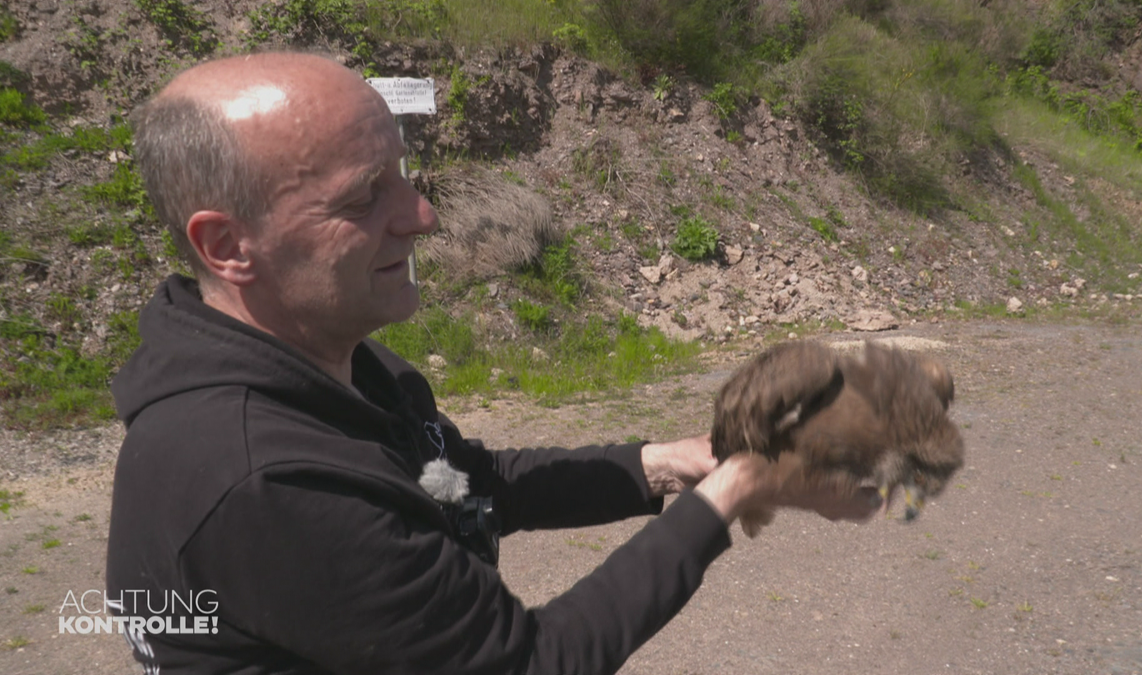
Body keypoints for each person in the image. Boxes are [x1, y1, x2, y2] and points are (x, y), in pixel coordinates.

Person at [105, 52, 881, 675]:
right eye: (364, 196)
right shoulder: (264, 481)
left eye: (404, 175)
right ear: (226, 245)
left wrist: (672, 464)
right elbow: (532, 661)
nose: (422, 215)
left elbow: (469, 483)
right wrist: (737, 487)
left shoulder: (332, 365)